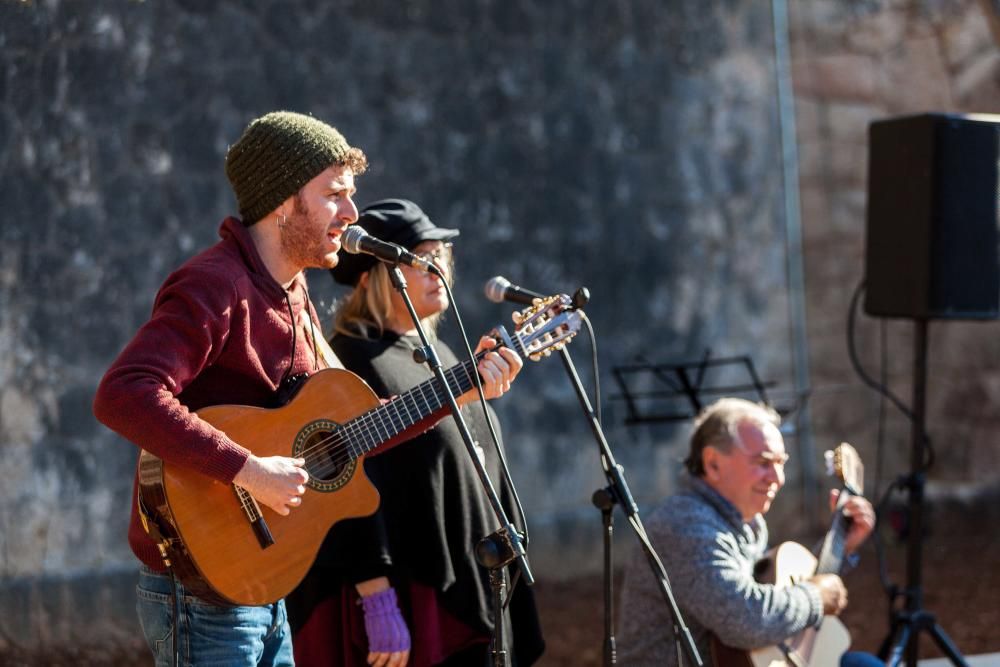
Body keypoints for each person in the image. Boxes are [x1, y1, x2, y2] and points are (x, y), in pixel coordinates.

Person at [92, 114, 521, 667]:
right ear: (281, 202)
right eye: (334, 195)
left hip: (265, 577)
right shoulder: (215, 285)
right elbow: (124, 392)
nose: (351, 213)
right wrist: (248, 469)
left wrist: (464, 388)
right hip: (201, 591)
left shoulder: (294, 292)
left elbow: (355, 427)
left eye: (351, 196)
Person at [285, 199, 545, 667]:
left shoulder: (439, 352)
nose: (436, 268)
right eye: (419, 259)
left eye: (439, 257)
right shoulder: (349, 364)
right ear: (373, 279)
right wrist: (377, 598)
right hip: (408, 599)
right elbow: (340, 486)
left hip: (471, 584)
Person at [618, 397, 880, 667]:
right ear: (713, 464)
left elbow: (769, 595)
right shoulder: (686, 525)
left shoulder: (744, 522)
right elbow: (744, 619)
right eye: (764, 463)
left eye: (781, 463)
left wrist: (841, 546)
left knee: (859, 663)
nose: (777, 478)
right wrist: (814, 597)